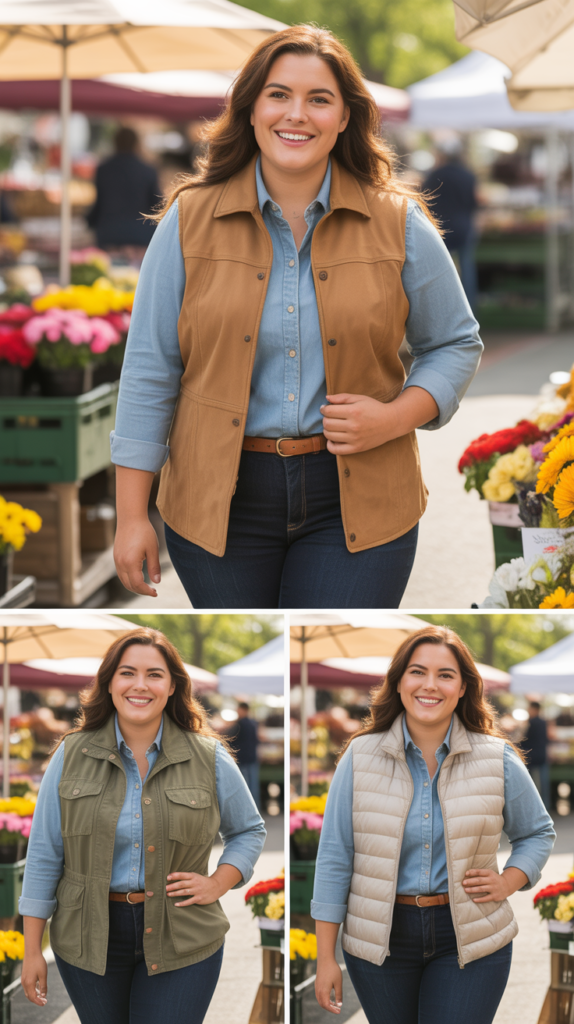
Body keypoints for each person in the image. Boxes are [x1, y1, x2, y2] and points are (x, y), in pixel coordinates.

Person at [111, 25, 483, 610]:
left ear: (344, 117)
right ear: (252, 108)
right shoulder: (187, 221)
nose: (297, 114)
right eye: (279, 94)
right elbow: (150, 370)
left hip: (362, 496)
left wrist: (392, 418)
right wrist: (132, 516)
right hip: (215, 501)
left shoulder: (400, 222)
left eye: (320, 98)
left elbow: (456, 343)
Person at [19, 627, 266, 1024]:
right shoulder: (70, 754)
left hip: (184, 934)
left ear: (172, 687)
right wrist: (32, 951)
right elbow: (45, 853)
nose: (140, 685)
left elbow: (249, 830)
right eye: (127, 672)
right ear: (110, 683)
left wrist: (219, 881)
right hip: (87, 937)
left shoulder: (209, 756)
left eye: (155, 674)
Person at [312, 625, 555, 1024]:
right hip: (379, 940)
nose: (431, 685)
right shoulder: (359, 756)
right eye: (418, 671)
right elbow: (335, 855)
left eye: (446, 675)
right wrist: (325, 958)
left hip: (471, 938)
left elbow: (537, 832)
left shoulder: (497, 758)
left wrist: (510, 879)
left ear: (463, 688)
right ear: (399, 681)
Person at [422, 140, 479, 312]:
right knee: (467, 267)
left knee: (439, 270)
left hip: (440, 228)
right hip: (464, 226)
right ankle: (469, 309)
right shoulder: (468, 175)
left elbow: (424, 200)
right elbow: (473, 203)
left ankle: (441, 310)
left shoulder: (435, 174)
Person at [87, 127, 160, 253]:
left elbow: (99, 203)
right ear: (136, 144)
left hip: (108, 233)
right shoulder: (148, 170)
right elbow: (157, 206)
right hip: (141, 234)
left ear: (115, 142)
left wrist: (89, 222)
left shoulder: (103, 169)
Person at [226, 702, 260, 807]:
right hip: (252, 757)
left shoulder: (240, 724)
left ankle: (247, 807)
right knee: (252, 785)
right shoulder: (253, 723)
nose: (237, 712)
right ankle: (254, 807)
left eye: (239, 709)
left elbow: (230, 740)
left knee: (244, 786)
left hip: (242, 758)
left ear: (243, 710)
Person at [520, 700, 551, 810]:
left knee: (531, 785)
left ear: (534, 709)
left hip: (532, 756)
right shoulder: (543, 722)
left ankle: (535, 808)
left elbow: (526, 740)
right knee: (543, 785)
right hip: (542, 755)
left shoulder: (532, 722)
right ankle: (545, 808)